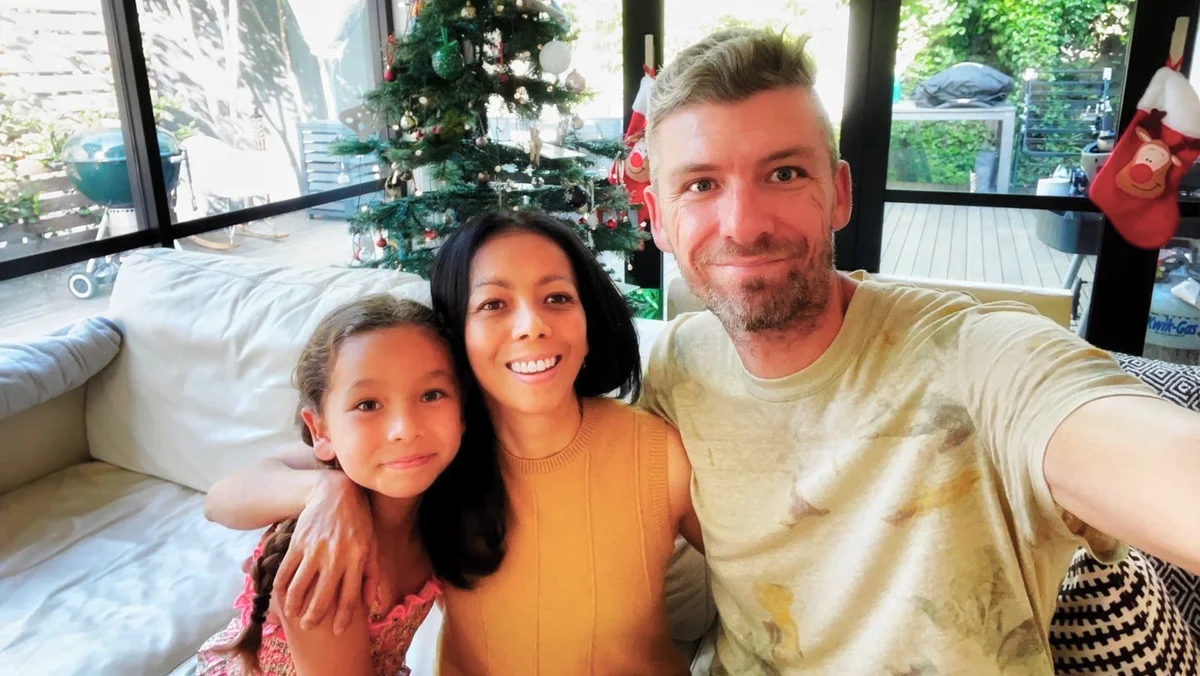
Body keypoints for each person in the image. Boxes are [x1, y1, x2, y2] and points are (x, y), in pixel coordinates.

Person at [638, 28, 1200, 674]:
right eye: (700, 185)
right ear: (657, 217)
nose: (743, 224)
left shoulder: (972, 360)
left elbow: (1121, 440)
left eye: (784, 173)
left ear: (841, 194)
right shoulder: (680, 365)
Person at [204, 211, 703, 675]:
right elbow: (226, 495)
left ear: (589, 317)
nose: (531, 325)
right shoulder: (432, 455)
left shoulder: (658, 453)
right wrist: (329, 493)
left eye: (556, 297)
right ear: (457, 336)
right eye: (493, 304)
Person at [197, 295, 504, 675]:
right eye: (368, 404)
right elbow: (218, 500)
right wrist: (326, 490)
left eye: (431, 394)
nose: (405, 429)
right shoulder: (326, 565)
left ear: (462, 412)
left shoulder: (448, 499)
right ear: (320, 430)